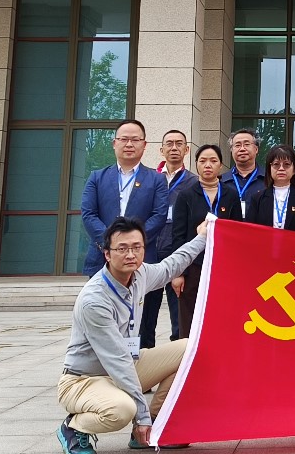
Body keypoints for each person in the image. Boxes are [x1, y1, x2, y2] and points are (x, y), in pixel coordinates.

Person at [56, 214, 209, 454]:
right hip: (85, 379)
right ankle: (73, 427)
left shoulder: (140, 274)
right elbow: (117, 360)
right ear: (107, 254)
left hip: (127, 363)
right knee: (121, 410)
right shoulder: (94, 300)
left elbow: (171, 266)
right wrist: (140, 416)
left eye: (137, 247)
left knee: (191, 349)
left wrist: (202, 237)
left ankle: (155, 424)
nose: (131, 255)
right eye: (122, 249)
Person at [79, 120, 171, 350]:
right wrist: (110, 244)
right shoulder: (97, 177)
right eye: (124, 139)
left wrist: (132, 245)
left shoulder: (157, 179)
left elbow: (159, 216)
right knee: (101, 321)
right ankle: (104, 365)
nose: (129, 144)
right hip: (102, 258)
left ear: (144, 145)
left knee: (145, 325)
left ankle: (143, 367)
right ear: (114, 143)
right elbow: (88, 214)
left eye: (135, 140)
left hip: (142, 261)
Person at [169, 144, 243, 335]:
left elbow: (237, 235)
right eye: (202, 161)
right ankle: (187, 352)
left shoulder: (231, 195)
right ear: (196, 164)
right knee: (189, 317)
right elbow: (178, 235)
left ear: (221, 165)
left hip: (222, 267)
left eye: (213, 161)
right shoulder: (186, 195)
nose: (208, 165)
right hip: (193, 266)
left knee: (220, 316)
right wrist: (178, 272)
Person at [154, 128, 193, 340]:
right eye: (169, 144)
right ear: (161, 150)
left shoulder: (193, 182)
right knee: (146, 313)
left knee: (179, 313)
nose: (174, 148)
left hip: (177, 252)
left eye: (179, 144)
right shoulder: (151, 179)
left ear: (187, 150)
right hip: (151, 252)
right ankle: (144, 354)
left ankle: (178, 354)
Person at [247, 144, 295, 234]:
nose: (281, 169)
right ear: (269, 169)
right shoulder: (257, 198)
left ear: (294, 169)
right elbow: (251, 231)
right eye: (276, 164)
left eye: (286, 164)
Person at [221, 128, 266, 217]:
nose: (242, 149)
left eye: (246, 144)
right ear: (231, 150)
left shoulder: (268, 180)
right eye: (237, 145)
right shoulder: (221, 182)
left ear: (256, 149)